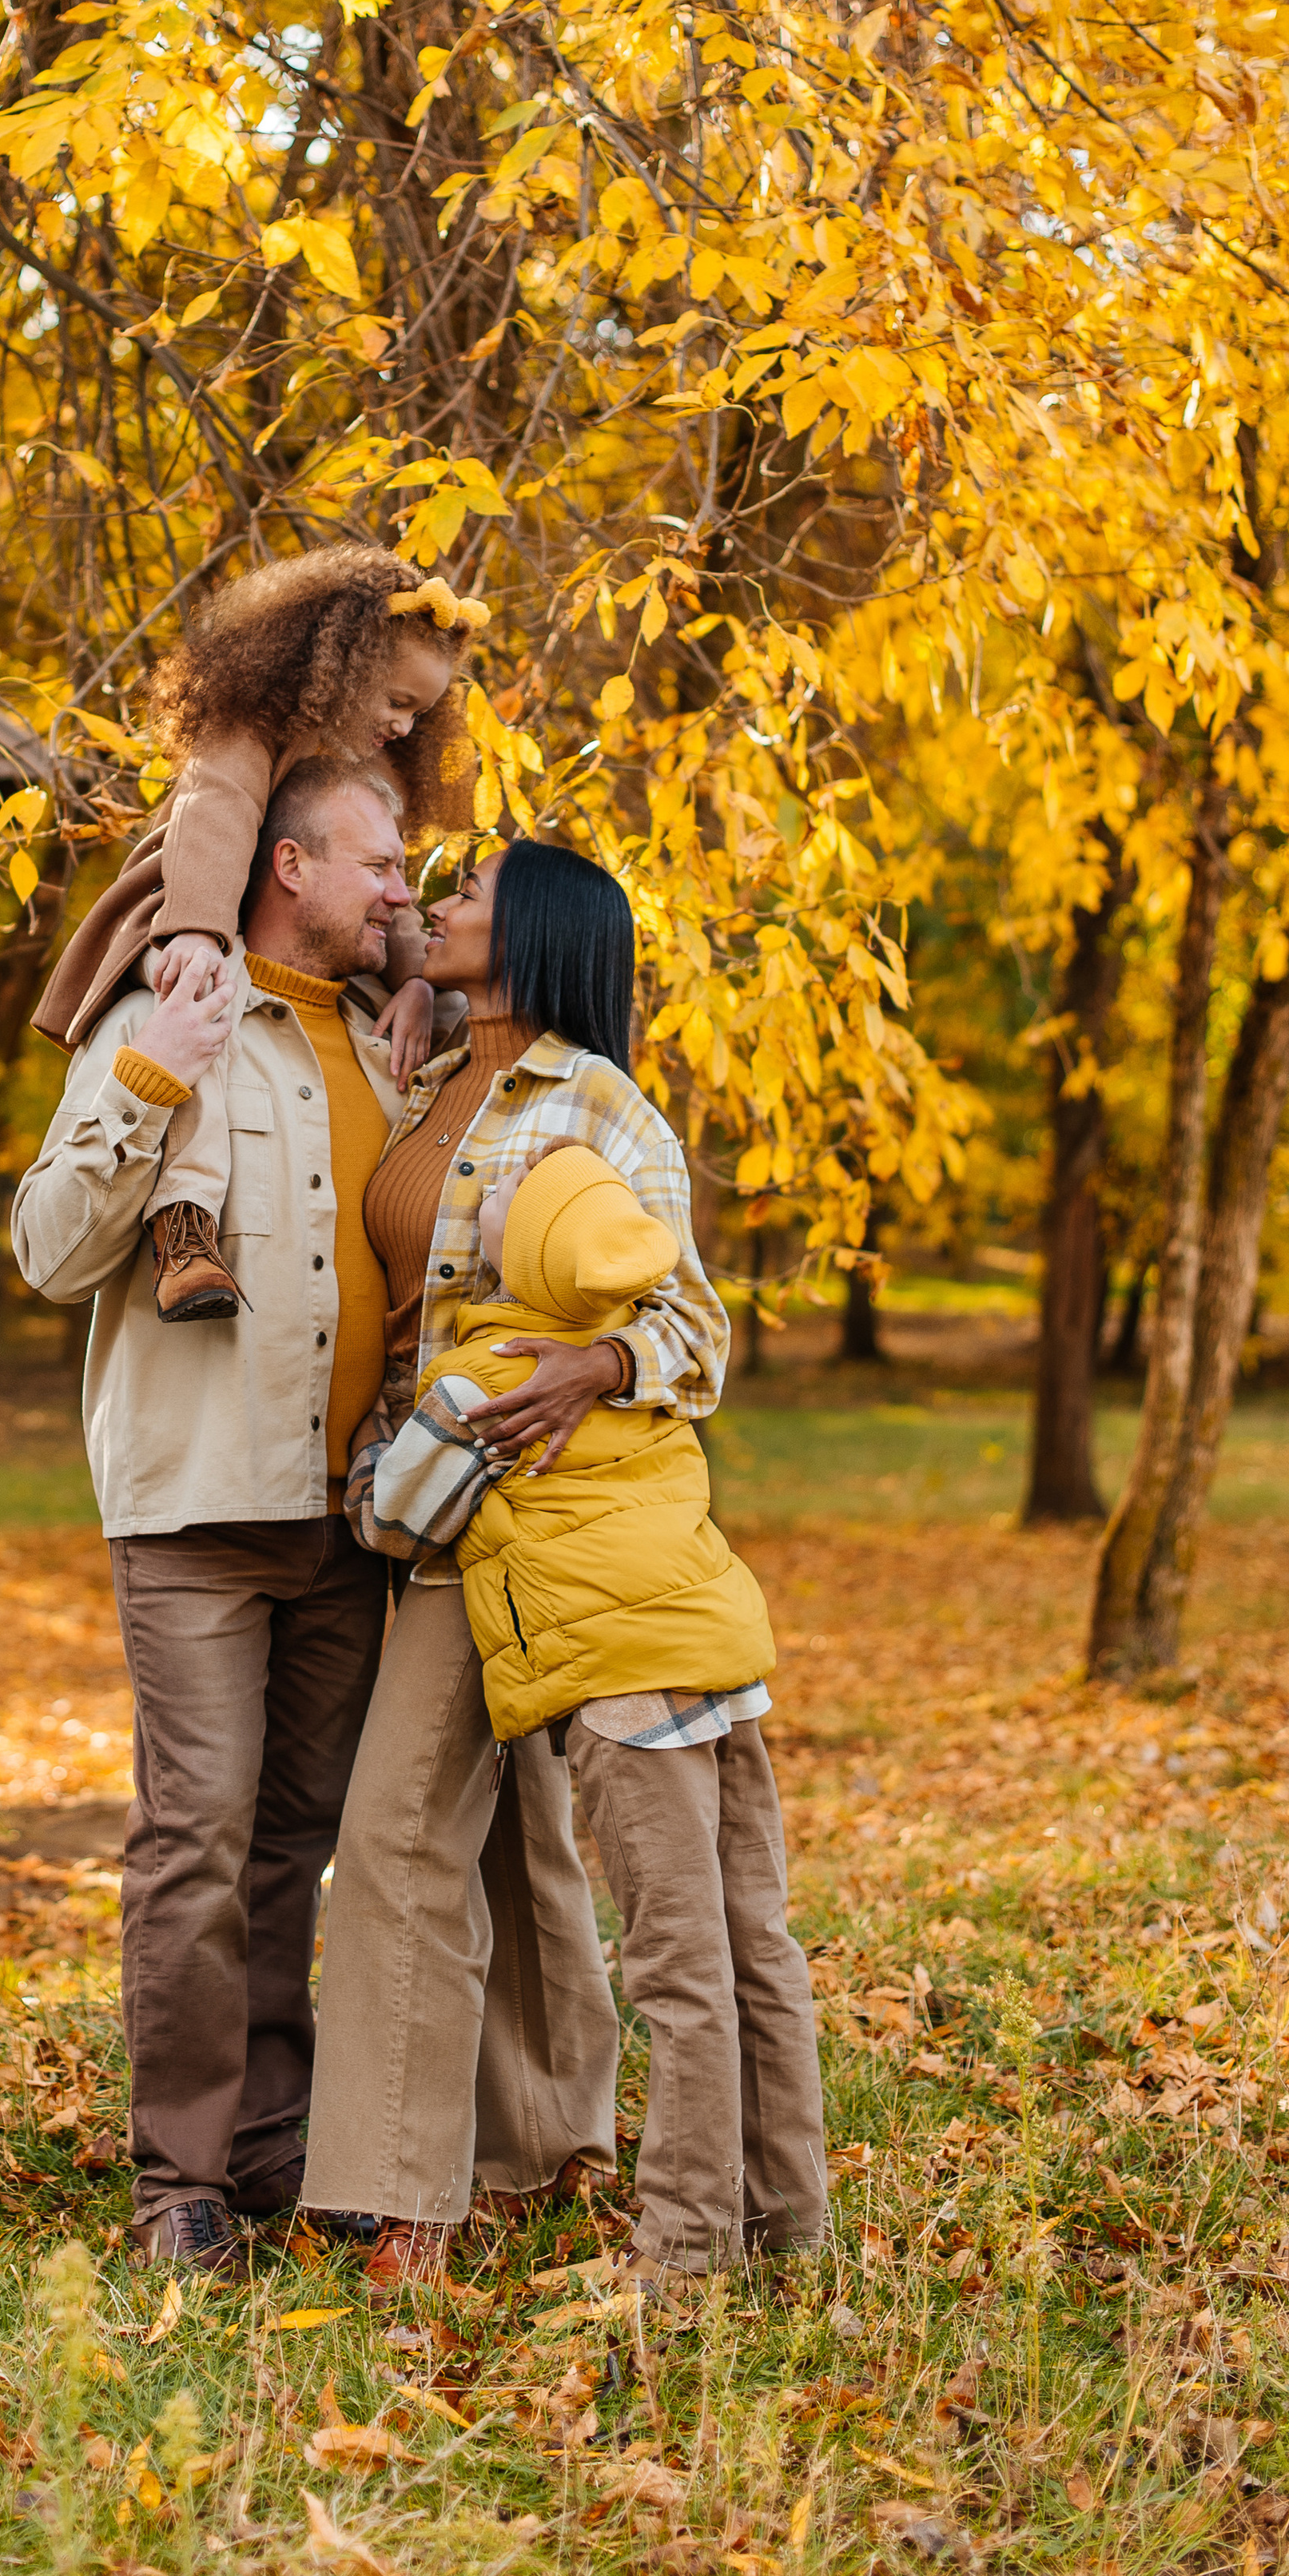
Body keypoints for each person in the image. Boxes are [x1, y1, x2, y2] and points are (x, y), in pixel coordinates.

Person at [298, 837, 737, 2288]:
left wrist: (606, 1355)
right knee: (517, 1833)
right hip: (425, 1507)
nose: (436, 898)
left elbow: (697, 1332)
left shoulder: (605, 1109)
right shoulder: (423, 1078)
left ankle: (396, 2192)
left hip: (541, 1511)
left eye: (471, 889)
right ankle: (554, 2136)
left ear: (537, 931)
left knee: (397, 1822)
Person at [11, 756, 424, 2275]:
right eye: (377, 861)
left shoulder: (392, 1048)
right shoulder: (165, 1008)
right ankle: (178, 2174)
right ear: (290, 866)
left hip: (352, 1523)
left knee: (293, 1847)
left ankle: (273, 2139)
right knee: (195, 1837)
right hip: (195, 1514)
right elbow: (48, 1253)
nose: (401, 887)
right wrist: (149, 1077)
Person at [352, 1142, 826, 2285]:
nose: (490, 1202)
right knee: (759, 1946)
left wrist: (376, 1445)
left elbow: (395, 1522)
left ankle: (687, 2244)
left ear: (539, 1252)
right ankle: (791, 2216)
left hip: (625, 1702)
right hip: (723, 1671)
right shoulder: (626, 1374)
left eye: (511, 1202)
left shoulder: (483, 1379)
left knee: (679, 1973)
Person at [31, 543, 484, 1323]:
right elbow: (218, 812)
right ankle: (183, 1223)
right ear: (343, 666)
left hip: (274, 946)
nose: (404, 724)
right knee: (207, 1015)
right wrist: (201, 934)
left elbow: (395, 891)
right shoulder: (254, 721)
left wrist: (416, 980)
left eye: (419, 712)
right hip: (188, 912)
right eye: (396, 700)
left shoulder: (373, 776)